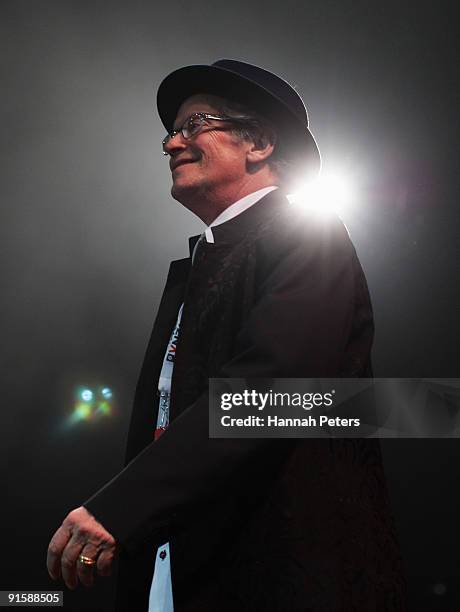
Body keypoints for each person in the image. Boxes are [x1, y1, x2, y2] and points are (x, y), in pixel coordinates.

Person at [47, 59, 407, 611]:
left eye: (195, 125)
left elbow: (265, 396)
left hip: (281, 571)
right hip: (185, 567)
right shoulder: (203, 265)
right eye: (171, 131)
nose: (171, 143)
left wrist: (121, 508)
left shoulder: (308, 237)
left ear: (258, 142)